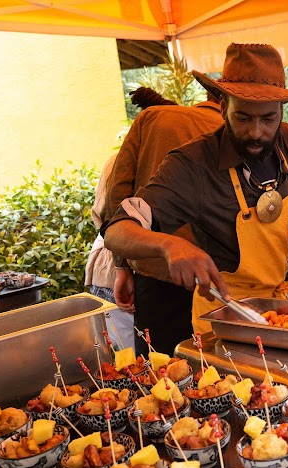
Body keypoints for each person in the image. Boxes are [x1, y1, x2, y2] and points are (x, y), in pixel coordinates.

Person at [103, 43, 288, 334]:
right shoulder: (191, 163)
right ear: (223, 107)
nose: (255, 132)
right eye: (243, 118)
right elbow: (117, 230)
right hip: (223, 315)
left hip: (276, 308)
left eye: (267, 119)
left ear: (281, 111)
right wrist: (169, 244)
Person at [100, 87, 224, 355]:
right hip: (221, 279)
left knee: (161, 372)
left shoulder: (152, 118)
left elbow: (117, 196)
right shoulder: (238, 131)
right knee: (223, 373)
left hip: (157, 270)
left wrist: (122, 266)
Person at [84, 153, 135, 350]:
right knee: (131, 364)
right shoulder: (124, 160)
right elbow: (108, 215)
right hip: (115, 271)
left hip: (113, 269)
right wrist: (122, 267)